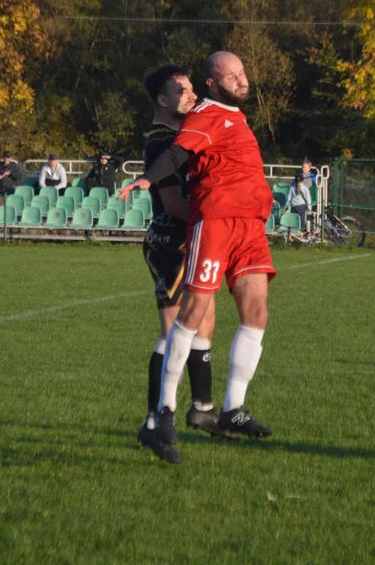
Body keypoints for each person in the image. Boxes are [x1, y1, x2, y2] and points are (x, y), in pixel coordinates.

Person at [119, 51, 276, 464]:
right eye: (180, 89)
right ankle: (160, 417)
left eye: (243, 72)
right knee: (181, 323)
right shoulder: (178, 130)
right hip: (186, 235)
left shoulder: (220, 117)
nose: (243, 80)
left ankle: (215, 409)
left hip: (237, 226)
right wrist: (148, 180)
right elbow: (175, 182)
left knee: (229, 317)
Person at [135, 63, 227, 463]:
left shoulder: (180, 135)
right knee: (175, 330)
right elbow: (173, 204)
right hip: (170, 241)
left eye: (192, 89)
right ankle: (154, 423)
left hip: (187, 240)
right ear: (162, 99)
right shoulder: (160, 143)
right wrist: (219, 219)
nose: (191, 96)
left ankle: (202, 410)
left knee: (203, 324)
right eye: (182, 91)